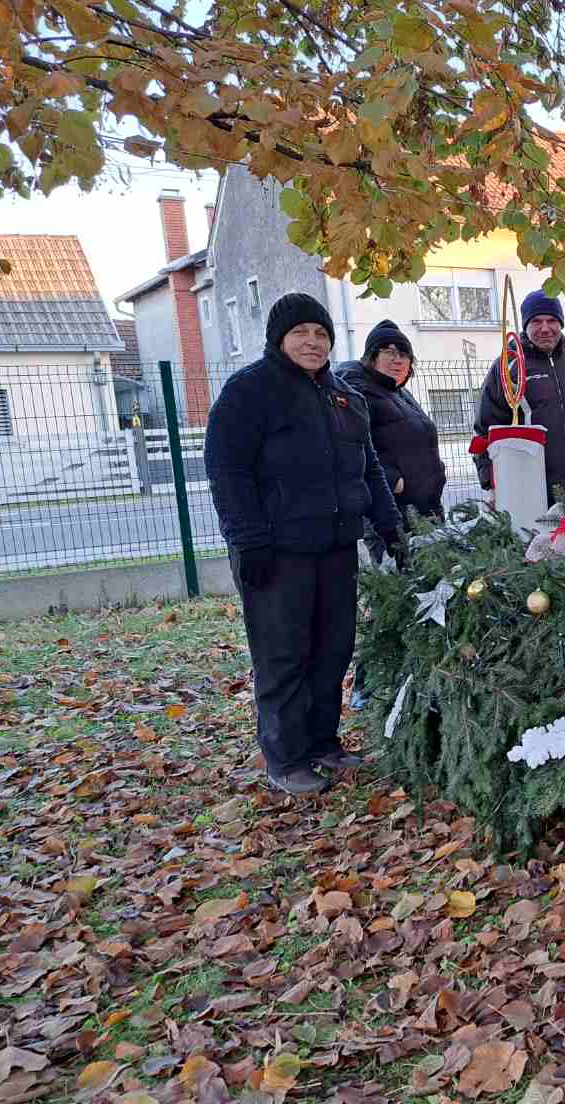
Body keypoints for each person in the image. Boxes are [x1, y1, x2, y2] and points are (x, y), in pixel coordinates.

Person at [205, 293, 402, 796]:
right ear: (279, 339)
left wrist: (389, 524)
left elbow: (369, 467)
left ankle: (321, 743)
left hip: (336, 546)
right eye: (301, 333)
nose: (312, 342)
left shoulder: (344, 396)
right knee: (283, 654)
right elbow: (227, 471)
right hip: (276, 550)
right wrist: (247, 540)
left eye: (321, 334)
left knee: (331, 650)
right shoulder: (250, 391)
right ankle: (286, 758)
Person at [472, 288, 565, 500]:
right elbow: (485, 429)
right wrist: (490, 481)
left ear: (561, 323)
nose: (545, 328)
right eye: (536, 321)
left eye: (552, 320)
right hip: (530, 488)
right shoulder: (508, 366)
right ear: (525, 325)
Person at [335, 319, 447, 559]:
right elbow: (348, 447)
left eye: (404, 354)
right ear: (371, 357)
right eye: (388, 351)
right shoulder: (357, 391)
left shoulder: (399, 393)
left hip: (426, 511)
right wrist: (392, 480)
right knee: (404, 588)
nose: (398, 359)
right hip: (392, 513)